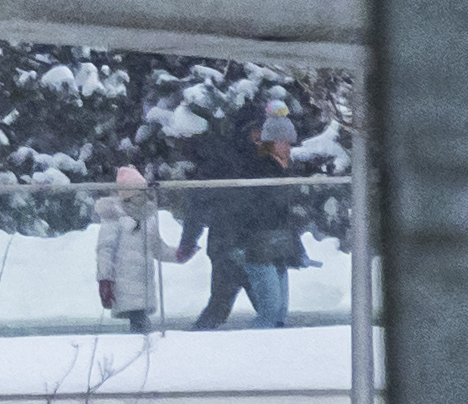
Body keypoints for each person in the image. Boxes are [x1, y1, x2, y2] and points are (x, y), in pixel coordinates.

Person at [192, 95, 318, 330]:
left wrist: (295, 247)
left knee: (276, 312)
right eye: (283, 142)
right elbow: (241, 208)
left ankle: (267, 350)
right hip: (251, 248)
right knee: (264, 310)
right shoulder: (251, 167)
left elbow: (282, 215)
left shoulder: (281, 170)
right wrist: (236, 244)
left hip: (273, 248)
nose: (289, 147)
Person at [90, 164, 189, 334]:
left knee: (140, 327)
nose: (143, 195)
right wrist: (105, 279)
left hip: (145, 286)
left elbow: (157, 249)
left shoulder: (147, 217)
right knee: (140, 327)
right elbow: (104, 251)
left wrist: (178, 255)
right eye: (139, 191)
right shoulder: (114, 216)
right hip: (124, 285)